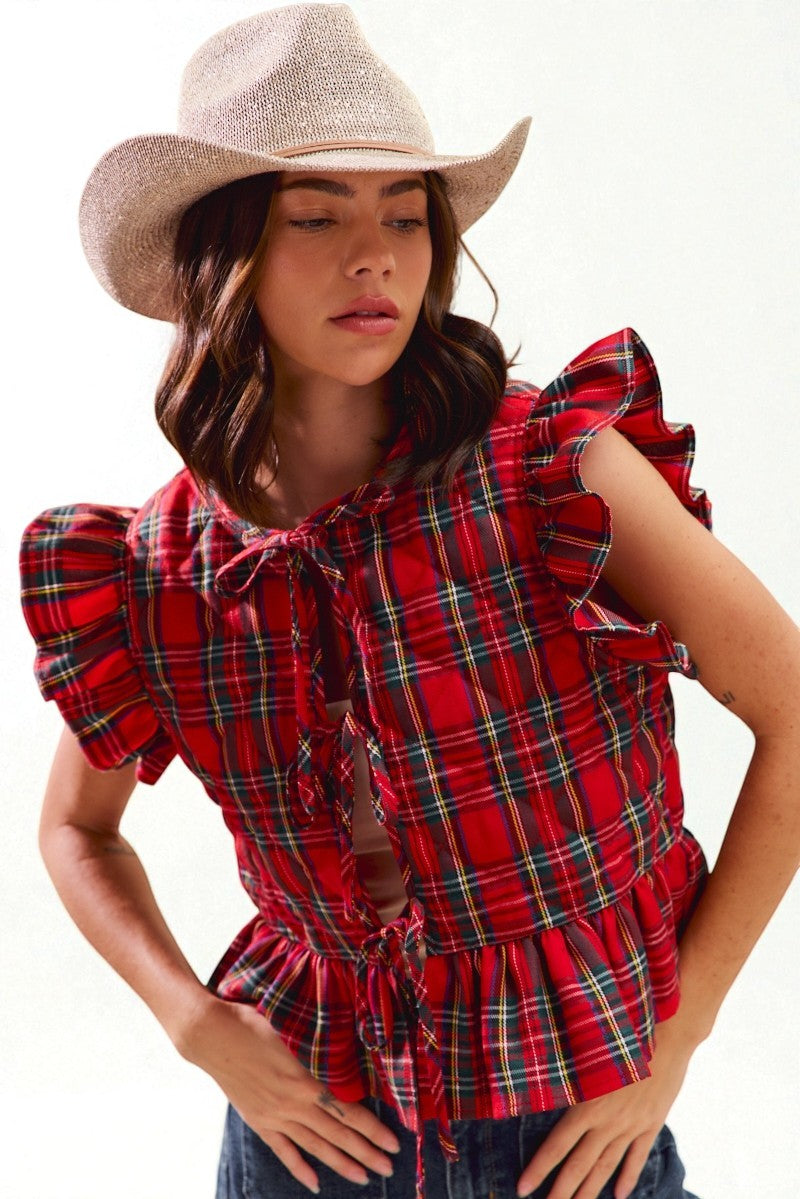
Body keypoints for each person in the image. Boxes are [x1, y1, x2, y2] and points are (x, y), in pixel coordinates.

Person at [18, 5, 800, 1198]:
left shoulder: (551, 471)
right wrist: (196, 1022)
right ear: (220, 255)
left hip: (574, 1118)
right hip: (308, 1131)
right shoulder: (160, 568)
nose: (373, 255)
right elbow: (76, 828)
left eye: (403, 215)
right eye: (316, 215)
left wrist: (673, 1037)